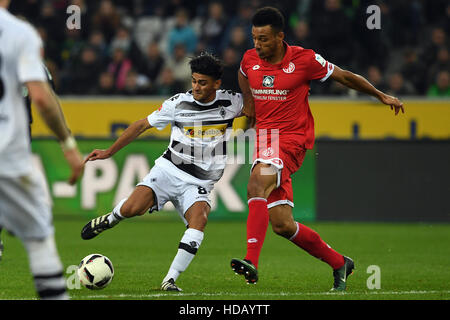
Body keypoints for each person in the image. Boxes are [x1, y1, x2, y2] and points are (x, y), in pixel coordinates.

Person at [230, 7, 404, 291]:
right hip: (264, 141)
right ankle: (339, 263)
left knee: (255, 184)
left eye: (263, 39)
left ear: (279, 37)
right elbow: (242, 74)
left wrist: (380, 95)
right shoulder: (250, 59)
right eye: (254, 39)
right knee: (283, 224)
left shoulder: (304, 59)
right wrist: (249, 102)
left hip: (291, 141)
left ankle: (251, 261)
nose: (257, 45)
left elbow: (345, 77)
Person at [80, 53, 246, 291]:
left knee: (199, 221)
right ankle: (110, 218)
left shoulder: (232, 103)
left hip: (199, 182)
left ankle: (170, 279)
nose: (196, 87)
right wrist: (109, 151)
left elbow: (258, 107)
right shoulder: (178, 103)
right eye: (194, 81)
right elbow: (140, 125)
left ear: (217, 84)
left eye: (203, 82)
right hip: (169, 171)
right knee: (131, 209)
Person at [0, 0, 84, 299]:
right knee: (38, 239)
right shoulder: (19, 34)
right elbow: (43, 98)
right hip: (8, 154)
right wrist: (68, 143)